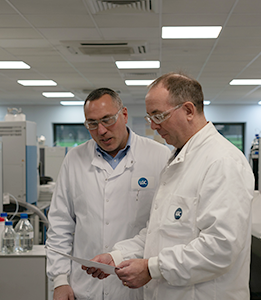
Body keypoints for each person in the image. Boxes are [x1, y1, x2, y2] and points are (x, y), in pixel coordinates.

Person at [84, 73, 254, 300]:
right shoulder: (178, 159)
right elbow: (159, 233)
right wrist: (117, 256)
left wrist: (151, 268)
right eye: (150, 117)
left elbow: (220, 248)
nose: (153, 125)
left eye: (159, 115)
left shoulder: (222, 162)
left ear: (189, 110)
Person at [46, 87, 171, 300]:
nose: (101, 130)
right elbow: (60, 225)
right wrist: (60, 280)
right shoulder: (74, 159)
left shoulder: (159, 156)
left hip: (138, 287)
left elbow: (162, 228)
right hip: (85, 286)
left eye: (107, 120)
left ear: (124, 115)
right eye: (92, 124)